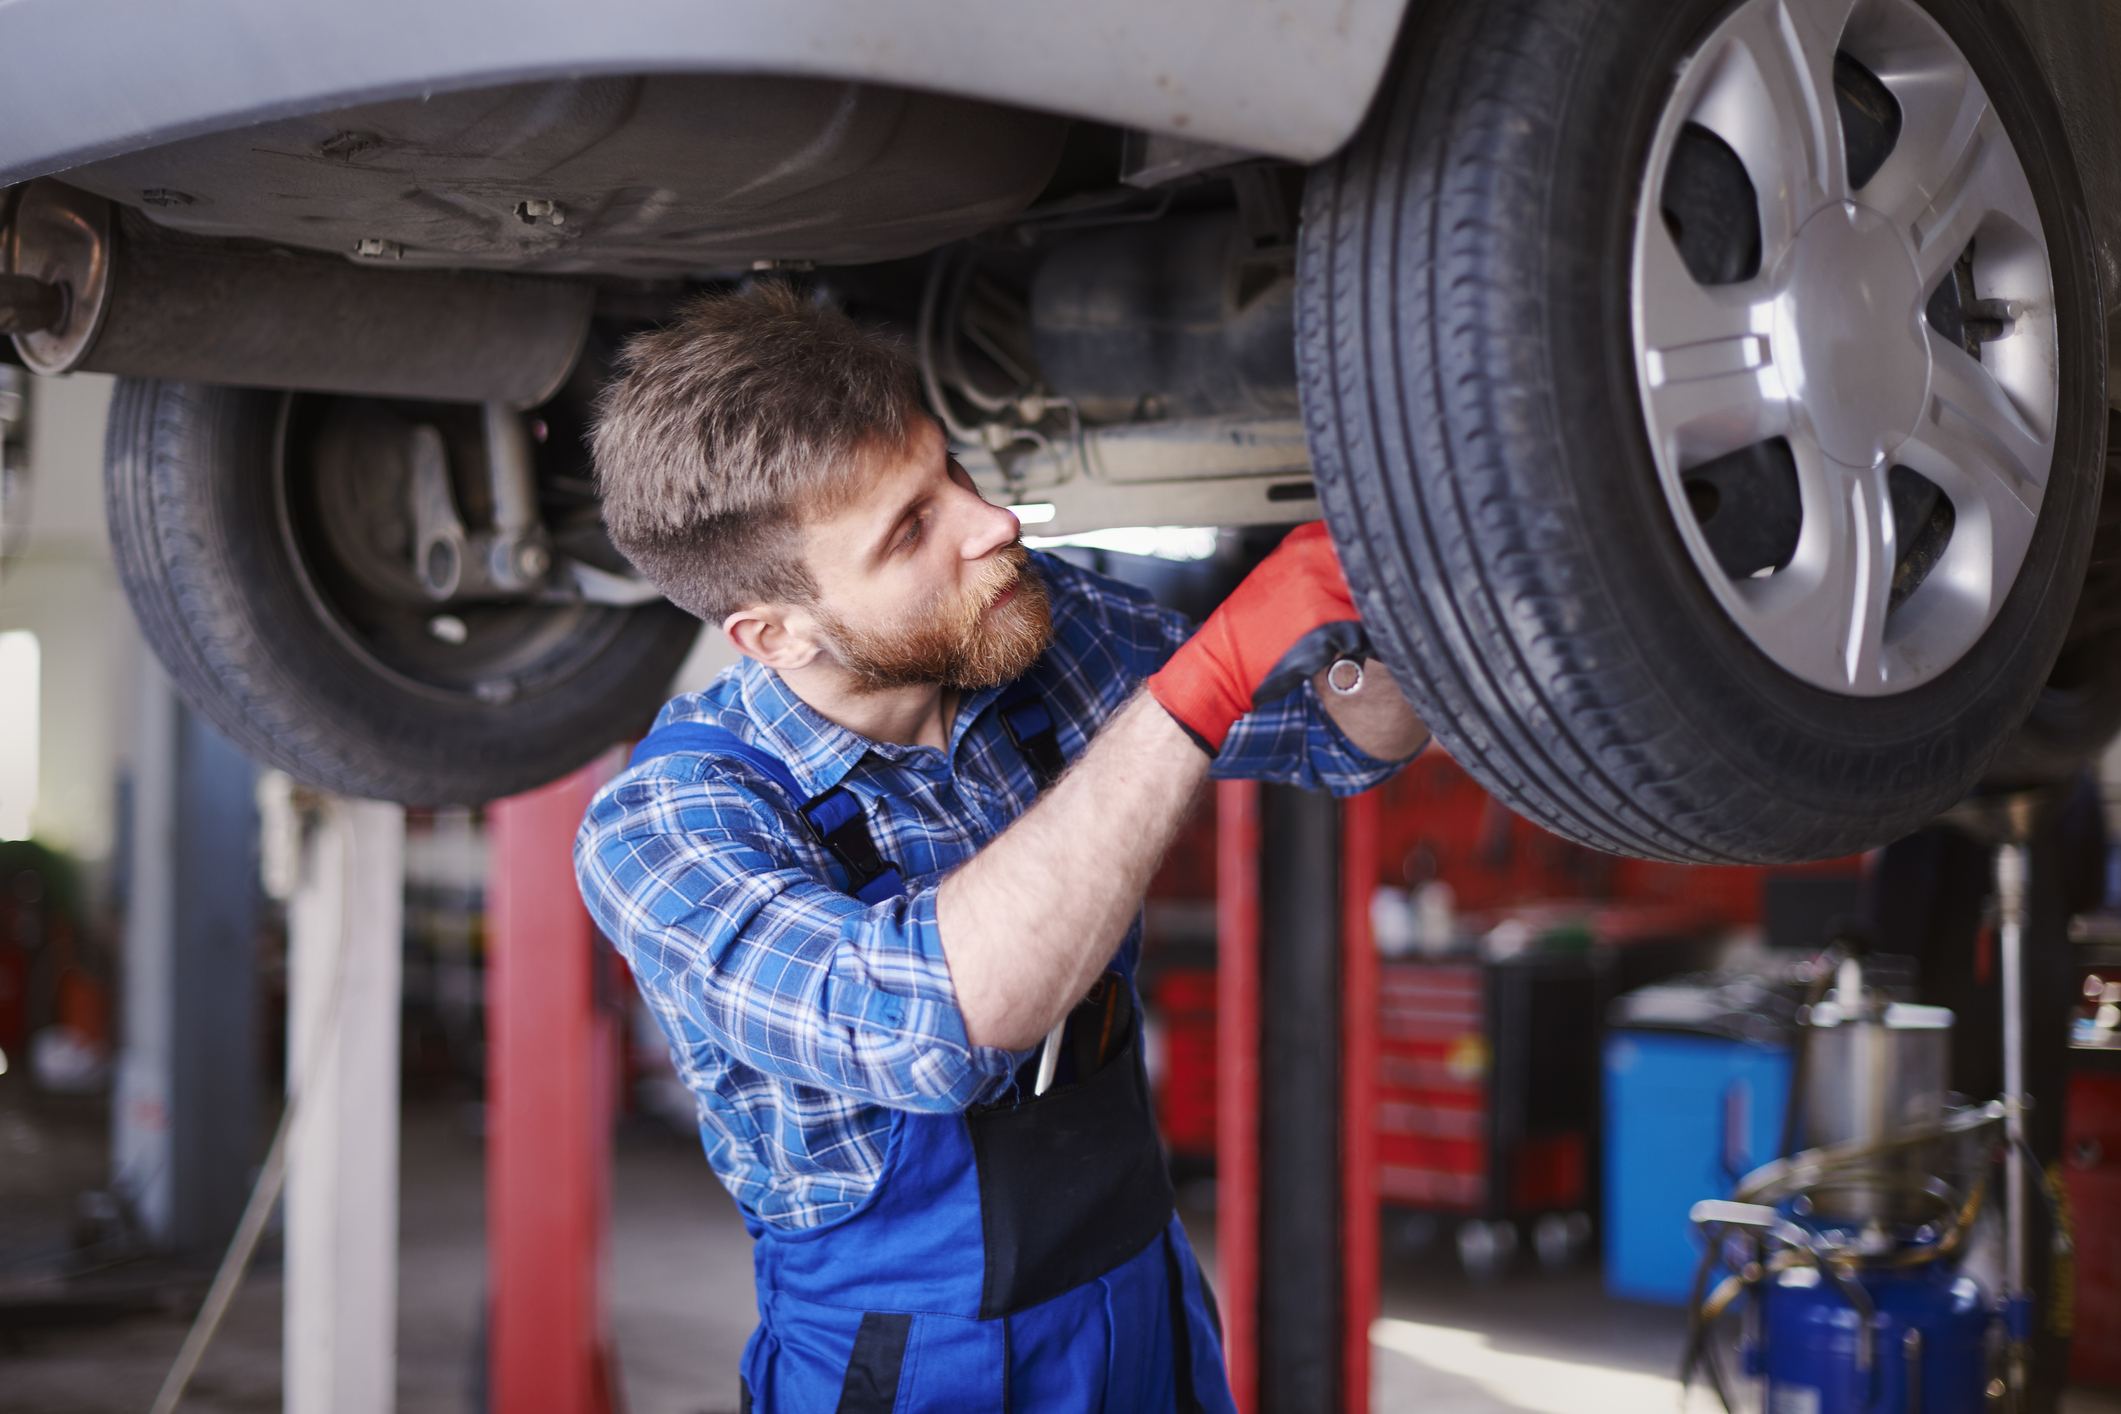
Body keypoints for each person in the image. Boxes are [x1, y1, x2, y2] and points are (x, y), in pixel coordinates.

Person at [575, 283, 1428, 1413]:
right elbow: (931, 1019)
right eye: (911, 528)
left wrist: (1405, 606)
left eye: (951, 474)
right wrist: (1197, 690)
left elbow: (1340, 738)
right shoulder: (668, 828)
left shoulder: (1025, 624)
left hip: (1139, 1299)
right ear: (775, 634)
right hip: (910, 1361)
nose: (996, 526)